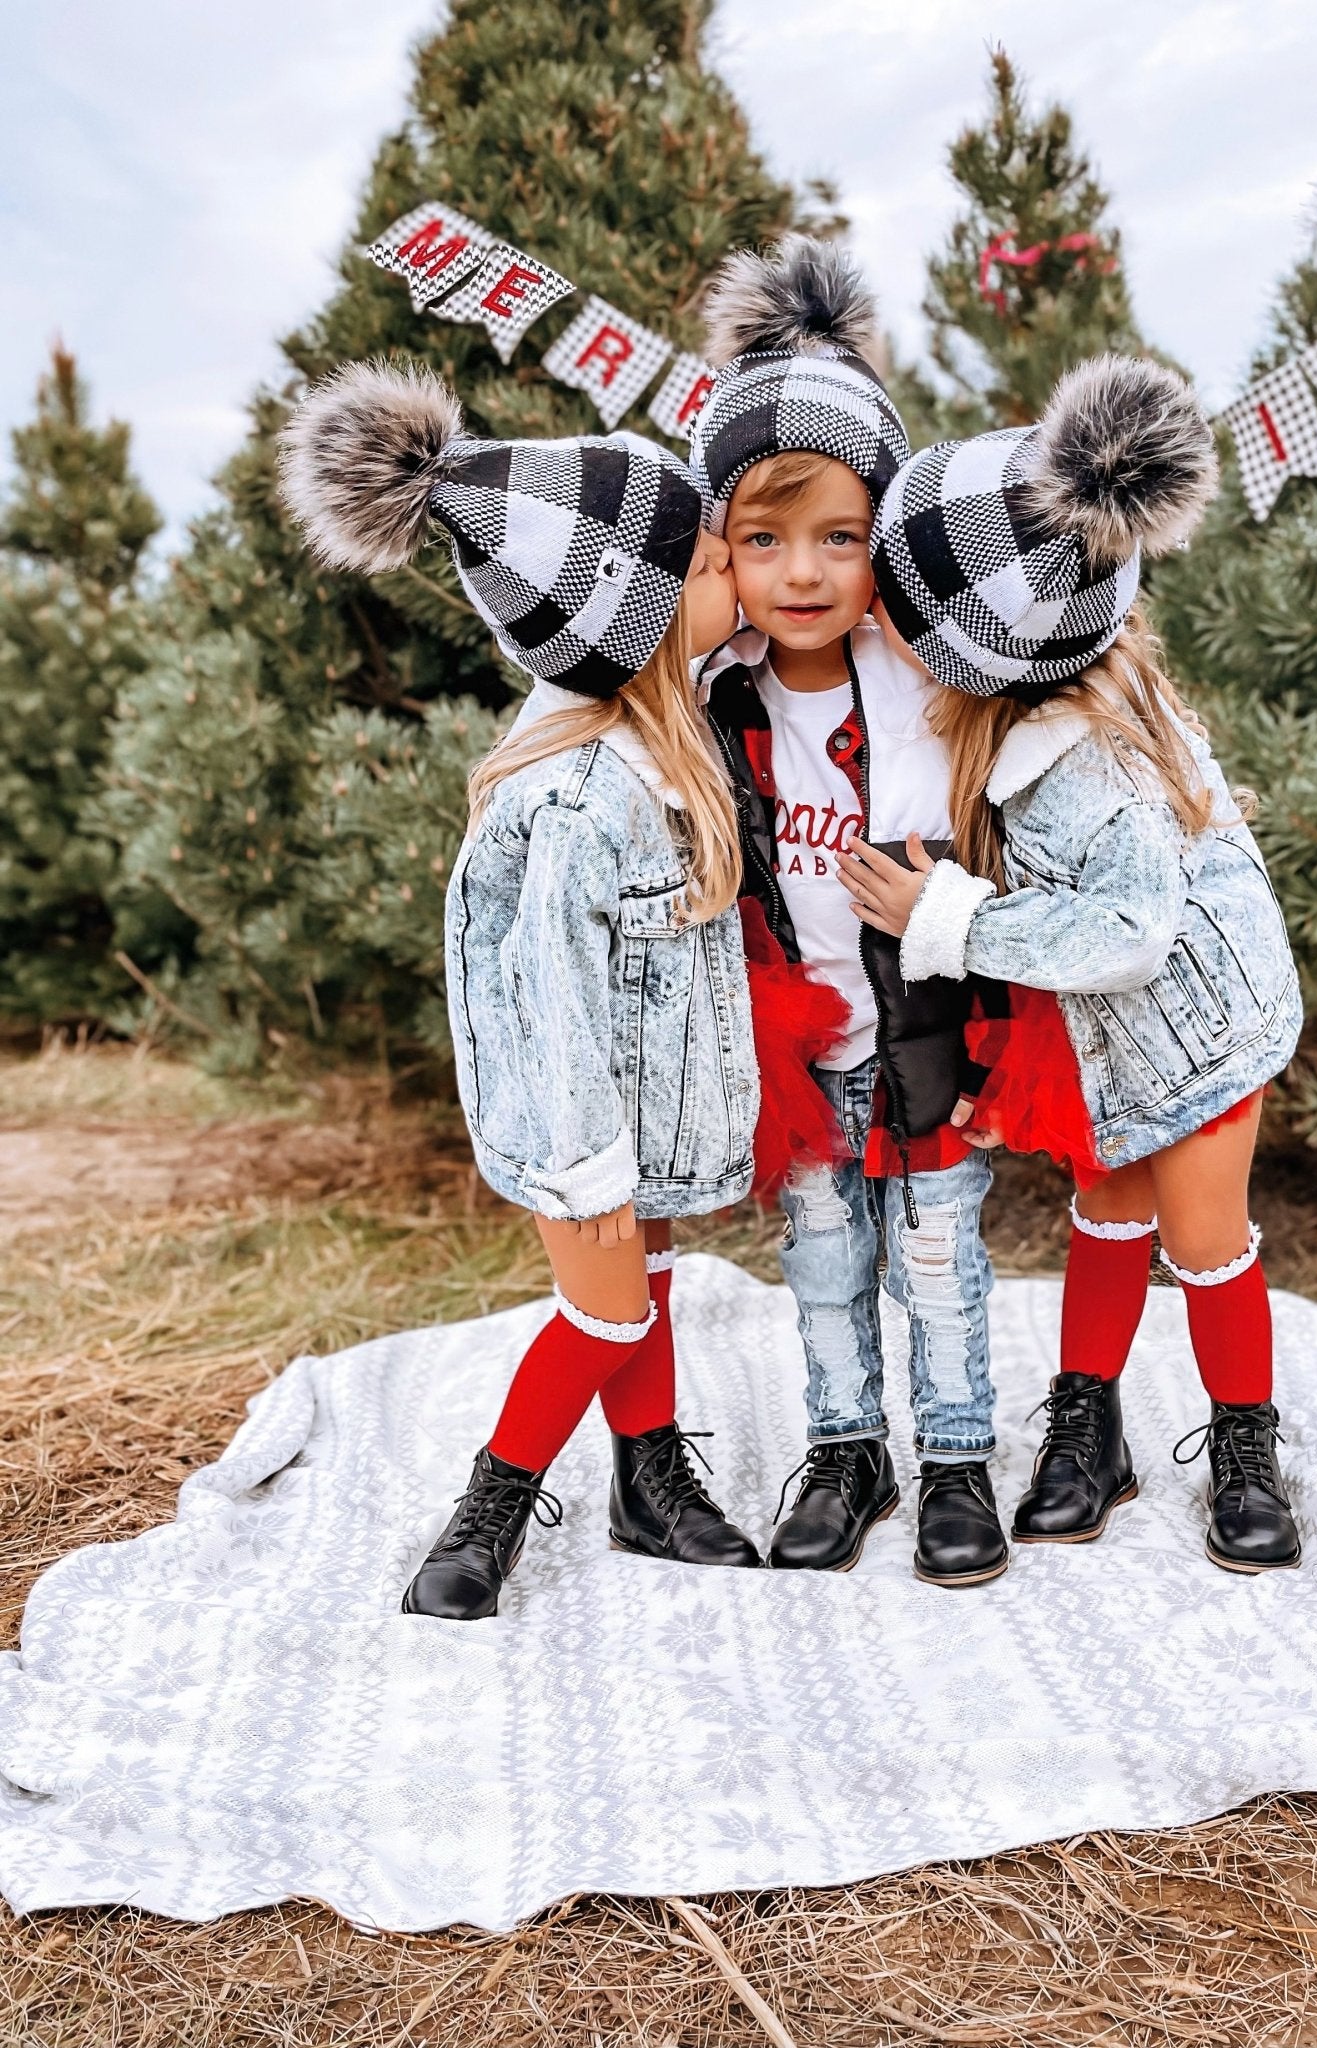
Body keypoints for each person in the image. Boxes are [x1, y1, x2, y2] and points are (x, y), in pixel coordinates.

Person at [278, 359, 762, 1618]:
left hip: (637, 1102)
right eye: (713, 563)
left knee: (641, 1282)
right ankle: (487, 1508)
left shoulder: (659, 719)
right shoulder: (573, 794)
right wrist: (590, 1163)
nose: (738, 574)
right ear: (642, 614)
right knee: (600, 1311)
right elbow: (546, 1001)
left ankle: (649, 1481)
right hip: (580, 1115)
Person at [844, 355, 1307, 1574]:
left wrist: (949, 918)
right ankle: (1087, 1426)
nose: (879, 614)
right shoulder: (1015, 699)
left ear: (966, 648)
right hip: (1106, 1021)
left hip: (1199, 1020)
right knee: (1104, 1208)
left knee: (1200, 1231)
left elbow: (1130, 932)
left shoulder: (1081, 763)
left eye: (895, 600)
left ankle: (1245, 1445)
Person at [693, 236, 1012, 1588]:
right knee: (820, 1260)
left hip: (926, 1027)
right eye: (764, 541)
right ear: (723, 551)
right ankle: (844, 1447)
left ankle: (951, 1457)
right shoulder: (722, 688)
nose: (805, 572)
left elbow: (1026, 800)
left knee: (938, 1258)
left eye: (840, 536)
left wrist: (958, 898)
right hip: (798, 1040)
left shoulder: (935, 674)